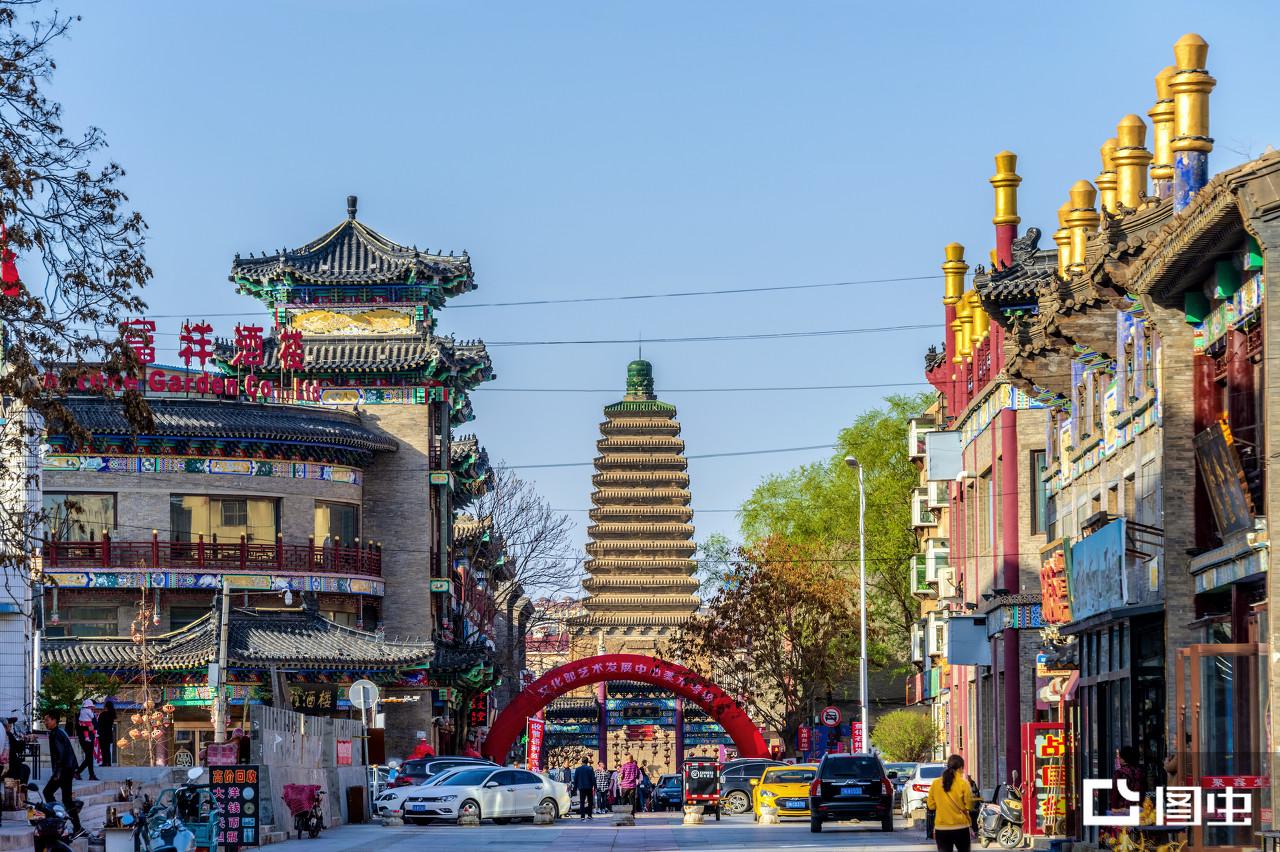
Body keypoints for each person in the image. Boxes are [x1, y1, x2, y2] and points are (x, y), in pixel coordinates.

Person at [43, 712, 84, 837]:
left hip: (63, 770)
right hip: (67, 769)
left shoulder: (56, 734)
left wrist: (57, 773)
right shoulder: (59, 732)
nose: (45, 723)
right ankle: (77, 827)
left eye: (47, 720)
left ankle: (57, 818)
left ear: (54, 720)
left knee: (47, 792)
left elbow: (60, 755)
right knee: (67, 799)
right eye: (44, 720)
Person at [926, 754, 974, 852]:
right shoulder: (964, 783)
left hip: (941, 828)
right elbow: (969, 805)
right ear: (960, 768)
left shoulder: (935, 783)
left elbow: (931, 806)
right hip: (961, 827)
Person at [1112, 746, 1145, 811]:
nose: (1119, 759)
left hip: (1123, 809)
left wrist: (1114, 808)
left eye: (1120, 757)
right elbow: (1142, 791)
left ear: (1123, 759)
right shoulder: (1139, 772)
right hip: (1138, 808)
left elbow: (1115, 793)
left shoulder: (1120, 773)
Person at [74, 699, 98, 781]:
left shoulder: (92, 714)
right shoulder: (80, 714)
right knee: (89, 757)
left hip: (91, 737)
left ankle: (89, 775)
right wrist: (87, 728)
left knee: (89, 756)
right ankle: (79, 773)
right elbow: (77, 727)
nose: (93, 708)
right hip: (83, 738)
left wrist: (93, 727)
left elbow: (96, 725)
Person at [572, 756, 596, 820]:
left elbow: (575, 779)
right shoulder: (590, 769)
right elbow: (593, 778)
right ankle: (589, 815)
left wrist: (574, 788)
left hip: (581, 787)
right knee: (590, 801)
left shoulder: (578, 769)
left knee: (582, 801)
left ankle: (582, 816)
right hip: (589, 787)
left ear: (582, 761)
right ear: (587, 762)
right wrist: (595, 786)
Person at [97, 701, 116, 768]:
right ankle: (109, 762)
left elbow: (99, 724)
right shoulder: (112, 714)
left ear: (106, 706)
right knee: (107, 749)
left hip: (102, 733)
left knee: (103, 749)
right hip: (109, 734)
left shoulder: (102, 714)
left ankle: (105, 762)